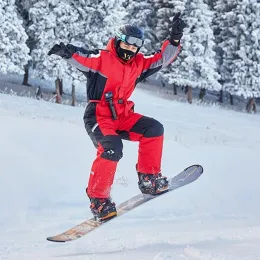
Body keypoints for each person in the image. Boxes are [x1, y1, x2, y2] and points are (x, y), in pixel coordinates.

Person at [48, 12, 185, 221]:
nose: (130, 51)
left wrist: (174, 39)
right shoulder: (101, 59)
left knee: (154, 129)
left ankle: (149, 178)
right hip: (98, 116)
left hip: (122, 115)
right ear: (118, 41)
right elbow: (80, 56)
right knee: (111, 148)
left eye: (134, 47)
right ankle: (98, 199)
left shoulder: (139, 64)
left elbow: (161, 59)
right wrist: (66, 51)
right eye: (127, 45)